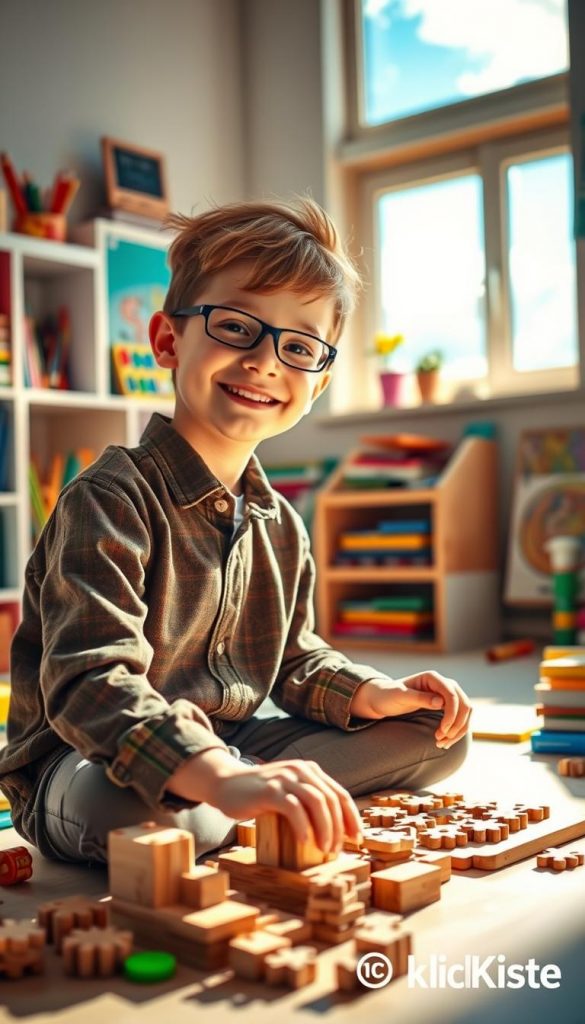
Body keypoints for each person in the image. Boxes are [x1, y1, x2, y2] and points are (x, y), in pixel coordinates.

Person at [0, 197, 471, 865]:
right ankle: (234, 795)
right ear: (168, 340)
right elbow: (89, 683)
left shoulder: (280, 523)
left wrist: (372, 693)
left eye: (299, 346)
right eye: (235, 326)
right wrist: (219, 775)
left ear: (319, 381)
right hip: (86, 762)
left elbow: (294, 661)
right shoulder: (108, 497)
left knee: (436, 733)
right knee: (134, 811)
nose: (265, 361)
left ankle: (246, 796)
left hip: (235, 743)